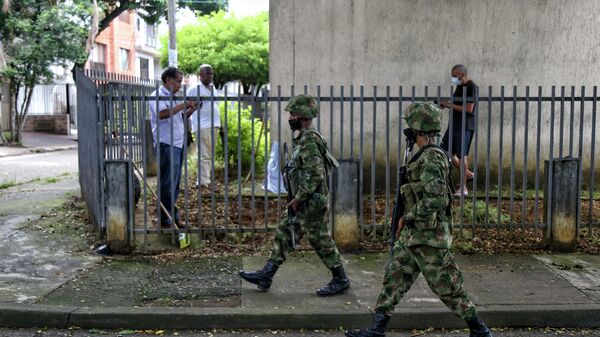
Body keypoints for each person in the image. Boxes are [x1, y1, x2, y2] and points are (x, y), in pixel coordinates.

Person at [345, 102, 492, 337]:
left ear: (419, 129)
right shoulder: (423, 155)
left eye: (410, 127)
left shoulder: (432, 158)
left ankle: (479, 330)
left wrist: (409, 216)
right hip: (414, 234)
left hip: (429, 237)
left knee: (447, 286)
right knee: (394, 277)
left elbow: (436, 199)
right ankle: (377, 328)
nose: (408, 131)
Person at [239, 94, 350, 296]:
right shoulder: (305, 137)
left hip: (311, 202)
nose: (290, 117)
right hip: (307, 200)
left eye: (293, 114)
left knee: (320, 239)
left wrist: (299, 198)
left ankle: (341, 279)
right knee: (285, 231)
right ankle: (267, 274)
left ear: (303, 115)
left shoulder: (308, 139)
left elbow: (316, 174)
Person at [149, 67, 197, 227]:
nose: (179, 85)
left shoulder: (173, 97)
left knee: (174, 183)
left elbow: (179, 117)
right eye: (177, 82)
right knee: (167, 183)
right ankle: (165, 218)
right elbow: (163, 114)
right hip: (166, 144)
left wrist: (190, 109)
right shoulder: (157, 96)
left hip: (177, 143)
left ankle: (171, 215)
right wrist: (183, 104)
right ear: (168, 80)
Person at [439, 64, 477, 197]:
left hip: (465, 125)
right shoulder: (459, 87)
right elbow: (458, 105)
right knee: (444, 151)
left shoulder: (471, 87)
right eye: (452, 75)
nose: (453, 77)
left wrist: (449, 104)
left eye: (455, 74)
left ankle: (464, 188)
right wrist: (447, 105)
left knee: (462, 155)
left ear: (463, 74)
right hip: (454, 124)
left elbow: (468, 109)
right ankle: (468, 174)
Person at [186, 64, 222, 192]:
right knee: (204, 154)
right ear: (200, 75)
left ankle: (206, 181)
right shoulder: (194, 89)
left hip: (214, 124)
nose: (210, 76)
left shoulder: (213, 88)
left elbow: (215, 107)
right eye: (207, 73)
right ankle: (202, 184)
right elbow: (187, 108)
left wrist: (221, 124)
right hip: (202, 125)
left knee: (210, 154)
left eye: (211, 73)